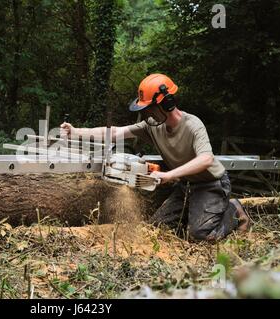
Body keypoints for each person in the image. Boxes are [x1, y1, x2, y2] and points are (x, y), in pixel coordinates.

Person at [60, 73, 250, 241]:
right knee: (159, 228)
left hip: (211, 184)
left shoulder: (193, 125)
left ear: (167, 103)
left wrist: (169, 175)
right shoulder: (152, 125)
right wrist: (76, 132)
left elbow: (206, 159)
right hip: (186, 187)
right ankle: (198, 213)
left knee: (201, 235)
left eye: (150, 108)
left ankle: (234, 210)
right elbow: (116, 132)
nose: (146, 113)